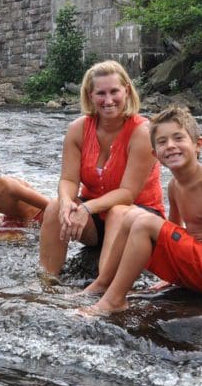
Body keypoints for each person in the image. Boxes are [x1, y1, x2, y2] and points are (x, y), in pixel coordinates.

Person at [83, 105, 202, 313]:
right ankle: (104, 283)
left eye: (178, 138)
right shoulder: (175, 186)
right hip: (195, 265)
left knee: (144, 221)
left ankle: (113, 301)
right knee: (130, 216)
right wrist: (172, 274)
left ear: (198, 144)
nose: (171, 146)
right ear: (154, 154)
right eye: (162, 142)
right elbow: (174, 229)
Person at [38, 60, 164, 278]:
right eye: (100, 93)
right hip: (97, 218)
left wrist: (86, 209)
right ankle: (48, 282)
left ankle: (104, 289)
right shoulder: (77, 129)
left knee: (117, 211)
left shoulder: (142, 132)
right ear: (89, 95)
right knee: (54, 207)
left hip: (137, 215)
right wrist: (67, 203)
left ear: (126, 90)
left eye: (114, 91)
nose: (108, 100)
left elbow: (128, 194)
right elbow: (68, 179)